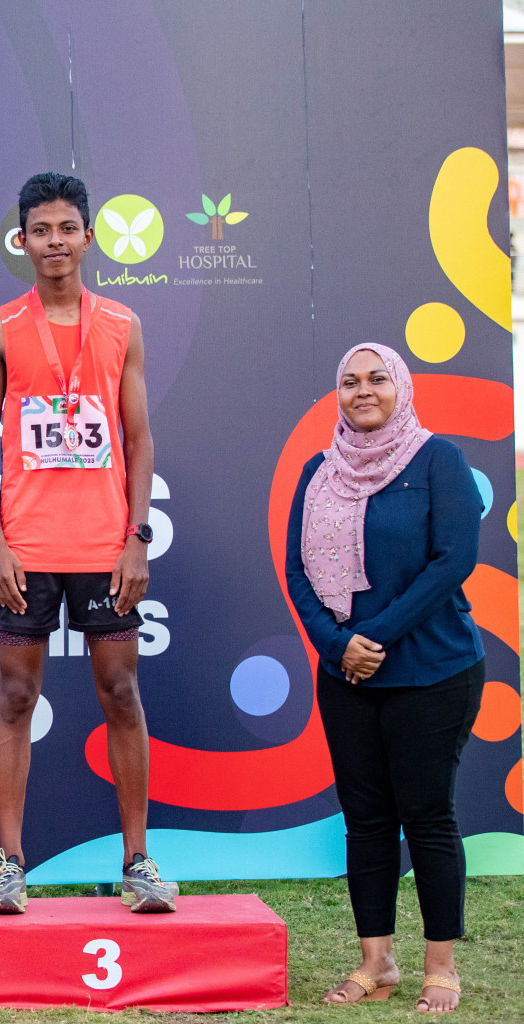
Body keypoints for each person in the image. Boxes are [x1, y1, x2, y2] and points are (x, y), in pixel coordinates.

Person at [0, 172, 174, 914]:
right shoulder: (1, 327)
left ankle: (139, 862)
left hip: (102, 546)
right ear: (21, 241)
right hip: (27, 546)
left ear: (88, 237)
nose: (53, 242)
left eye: (66, 229)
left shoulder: (122, 323)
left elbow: (139, 437)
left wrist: (136, 538)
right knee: (16, 695)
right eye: (40, 231)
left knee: (121, 694)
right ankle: (9, 866)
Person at [286, 343, 484, 1013]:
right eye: (348, 381)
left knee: (427, 817)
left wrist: (376, 637)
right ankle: (377, 962)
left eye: (376, 379)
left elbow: (453, 560)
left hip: (432, 670)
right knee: (366, 821)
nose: (362, 391)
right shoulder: (318, 473)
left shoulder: (438, 461)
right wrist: (340, 647)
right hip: (349, 677)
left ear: (400, 386)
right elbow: (298, 573)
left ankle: (441, 967)